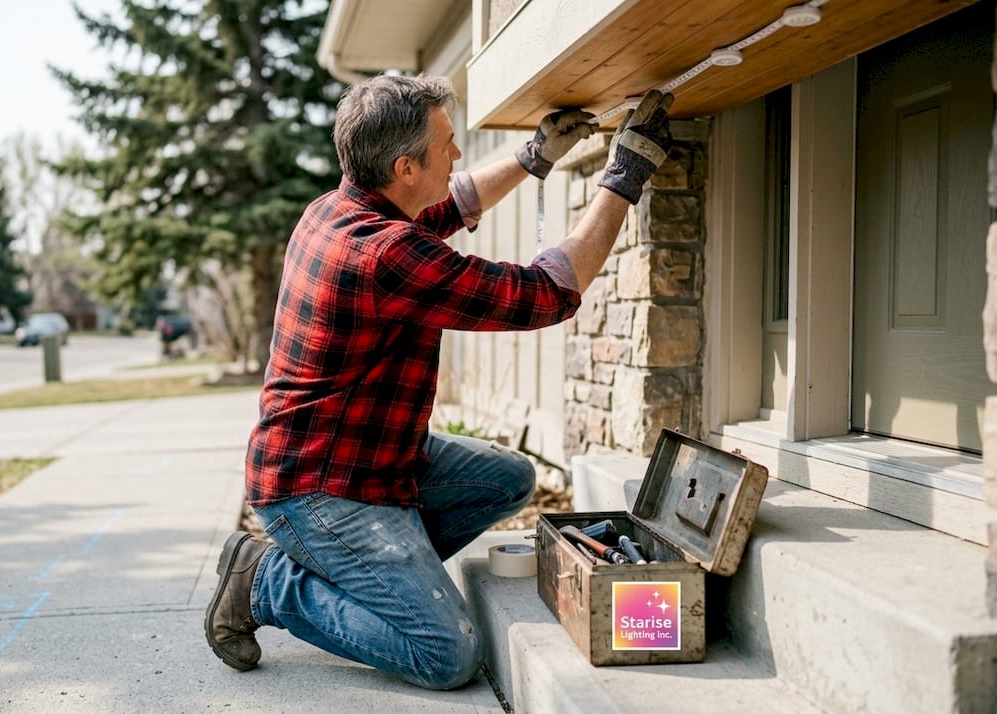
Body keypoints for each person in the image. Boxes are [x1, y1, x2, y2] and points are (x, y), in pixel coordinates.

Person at [205, 74, 674, 689]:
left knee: (507, 479)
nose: (458, 155)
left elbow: (451, 200)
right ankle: (266, 581)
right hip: (319, 489)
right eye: (448, 143)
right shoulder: (385, 253)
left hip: (366, 457)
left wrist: (534, 159)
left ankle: (379, 577)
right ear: (403, 167)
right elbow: (544, 294)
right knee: (446, 654)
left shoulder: (339, 207)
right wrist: (622, 179)